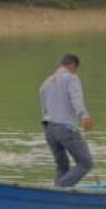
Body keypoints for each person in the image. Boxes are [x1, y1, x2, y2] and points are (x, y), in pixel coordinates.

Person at [40, 53, 94, 187]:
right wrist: (84, 115)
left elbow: (44, 109)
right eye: (75, 69)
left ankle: (57, 198)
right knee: (86, 163)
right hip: (64, 128)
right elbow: (76, 97)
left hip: (49, 129)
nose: (75, 72)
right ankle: (58, 190)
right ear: (72, 65)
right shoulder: (71, 78)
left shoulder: (45, 83)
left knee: (62, 166)